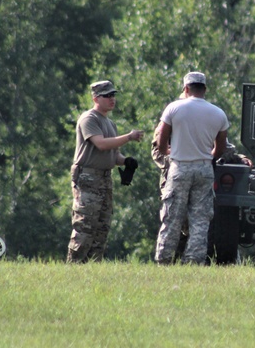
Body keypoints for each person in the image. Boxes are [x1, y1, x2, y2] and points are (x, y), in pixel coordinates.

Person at [154, 71, 230, 264]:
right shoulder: (218, 113)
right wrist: (207, 158)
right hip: (204, 169)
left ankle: (164, 259)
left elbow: (161, 140)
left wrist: (168, 152)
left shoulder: (174, 108)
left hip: (180, 167)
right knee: (200, 219)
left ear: (186, 89)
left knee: (172, 216)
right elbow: (220, 147)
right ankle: (193, 260)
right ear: (204, 89)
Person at [68, 80, 143, 263]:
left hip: (104, 179)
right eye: (107, 96)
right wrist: (129, 137)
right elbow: (101, 144)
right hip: (88, 178)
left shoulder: (110, 123)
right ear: (95, 98)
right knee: (85, 227)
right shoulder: (89, 119)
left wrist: (126, 161)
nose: (112, 99)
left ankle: (92, 269)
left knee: (101, 228)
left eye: (113, 95)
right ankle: (73, 268)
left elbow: (113, 154)